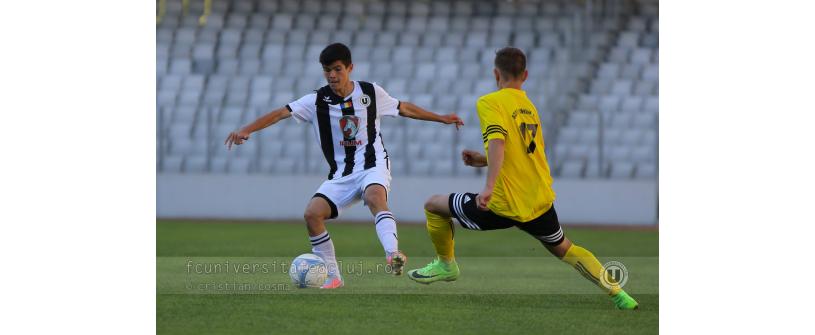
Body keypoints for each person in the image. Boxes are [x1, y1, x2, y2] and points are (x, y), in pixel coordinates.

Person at [406, 47, 638, 309]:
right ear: (525, 75)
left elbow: (498, 142)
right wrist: (482, 160)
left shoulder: (490, 102)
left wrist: (488, 187)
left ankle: (446, 265)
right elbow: (522, 152)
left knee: (433, 205)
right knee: (564, 247)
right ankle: (620, 295)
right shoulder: (528, 106)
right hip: (538, 199)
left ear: (496, 74)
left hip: (503, 202)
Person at [224, 43, 463, 289]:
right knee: (312, 214)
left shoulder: (370, 93)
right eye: (327, 70)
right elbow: (279, 113)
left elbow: (405, 108)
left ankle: (393, 254)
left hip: (373, 164)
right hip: (341, 174)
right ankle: (334, 277)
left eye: (337, 69)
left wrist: (442, 118)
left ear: (350, 68)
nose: (332, 75)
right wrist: (246, 130)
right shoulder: (316, 100)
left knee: (374, 197)